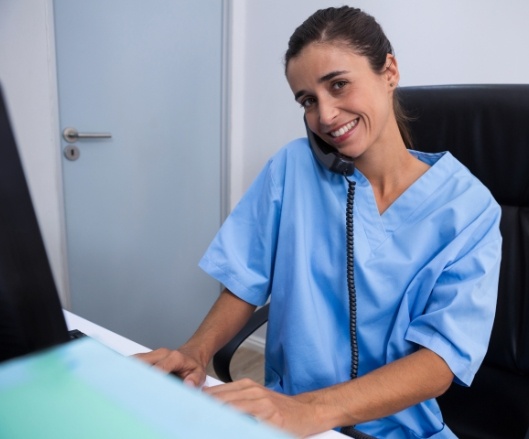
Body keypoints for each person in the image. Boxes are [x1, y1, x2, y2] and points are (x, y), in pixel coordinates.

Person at [136, 6, 502, 439]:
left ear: (389, 71)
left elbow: (440, 360)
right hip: (285, 417)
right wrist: (196, 352)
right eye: (308, 100)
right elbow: (244, 280)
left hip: (397, 429)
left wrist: (310, 411)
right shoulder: (291, 167)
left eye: (339, 85)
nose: (325, 116)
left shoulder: (468, 209)